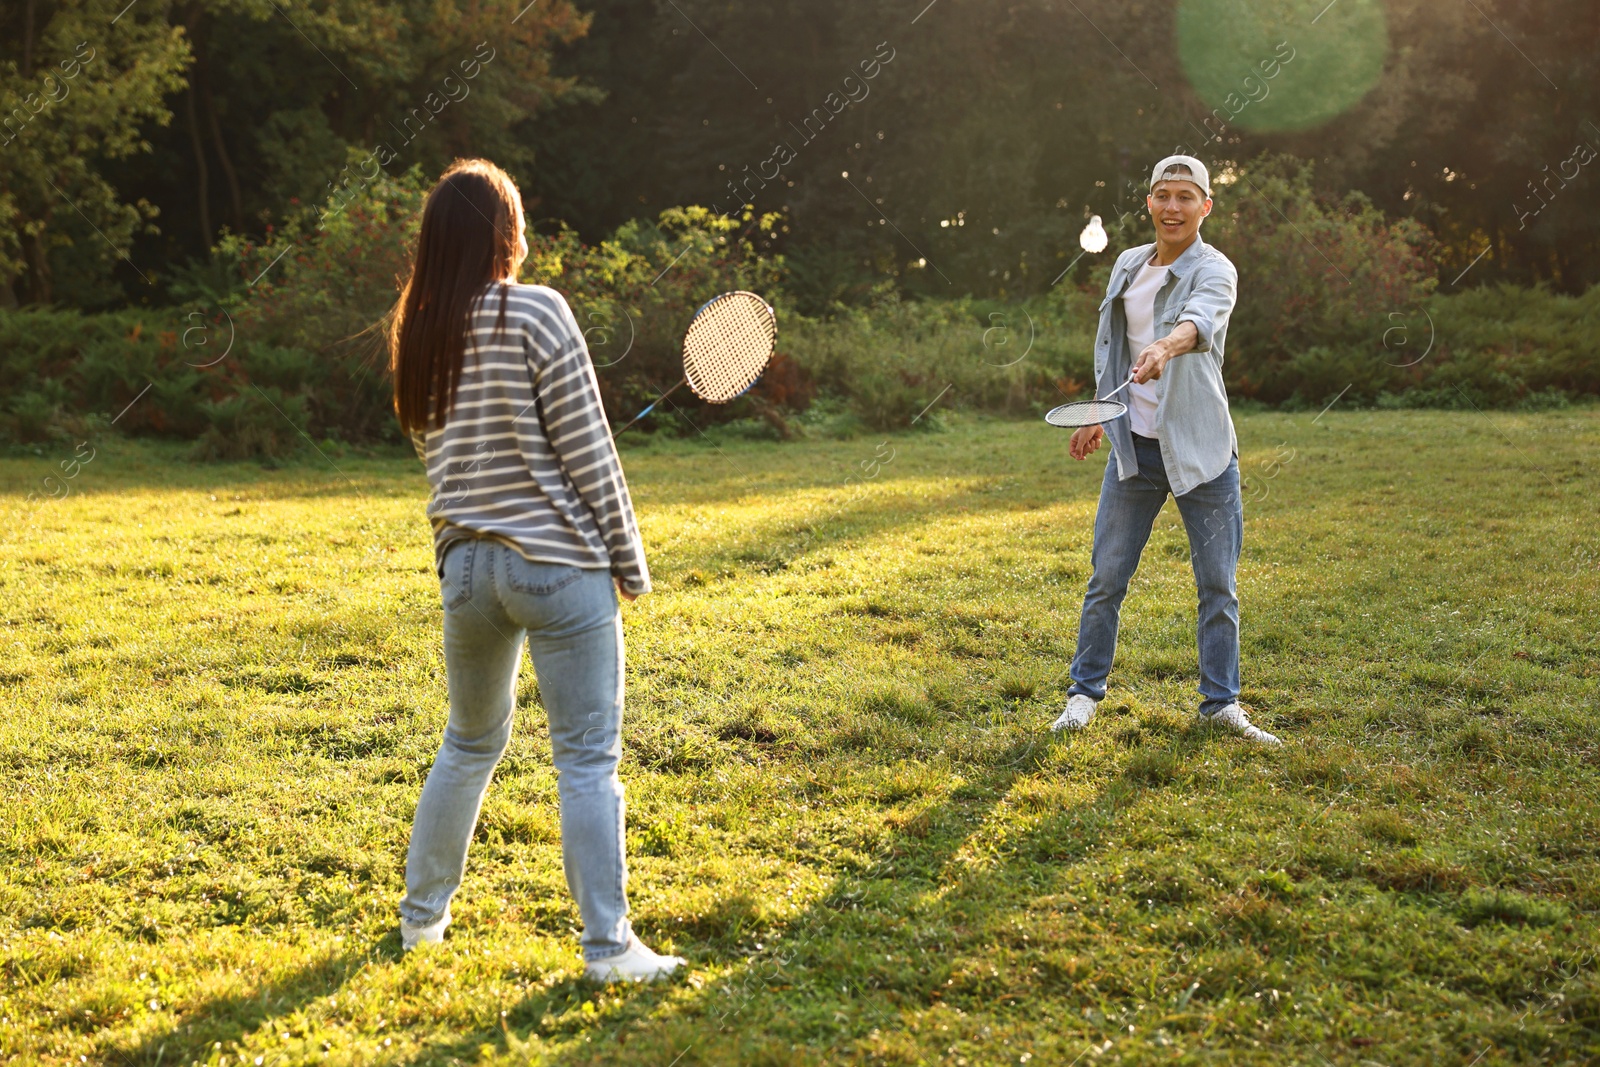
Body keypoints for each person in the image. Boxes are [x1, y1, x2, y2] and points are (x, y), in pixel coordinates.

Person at [386, 158, 685, 981]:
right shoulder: (538, 312)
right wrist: (630, 562)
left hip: (465, 573)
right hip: (557, 567)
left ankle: (420, 923)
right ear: (506, 234)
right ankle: (607, 947)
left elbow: (437, 457)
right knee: (587, 757)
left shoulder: (420, 335)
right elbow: (590, 454)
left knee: (468, 742)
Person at [1052, 155, 1280, 745]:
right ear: (1149, 204)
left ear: (1205, 206)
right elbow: (1111, 346)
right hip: (1135, 453)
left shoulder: (1216, 268)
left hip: (1201, 451)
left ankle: (1221, 704)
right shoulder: (1128, 264)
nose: (1172, 206)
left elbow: (1200, 322)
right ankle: (1083, 694)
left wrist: (1165, 347)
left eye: (1185, 196)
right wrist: (1101, 412)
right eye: (1162, 195)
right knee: (1106, 577)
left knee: (1218, 584)